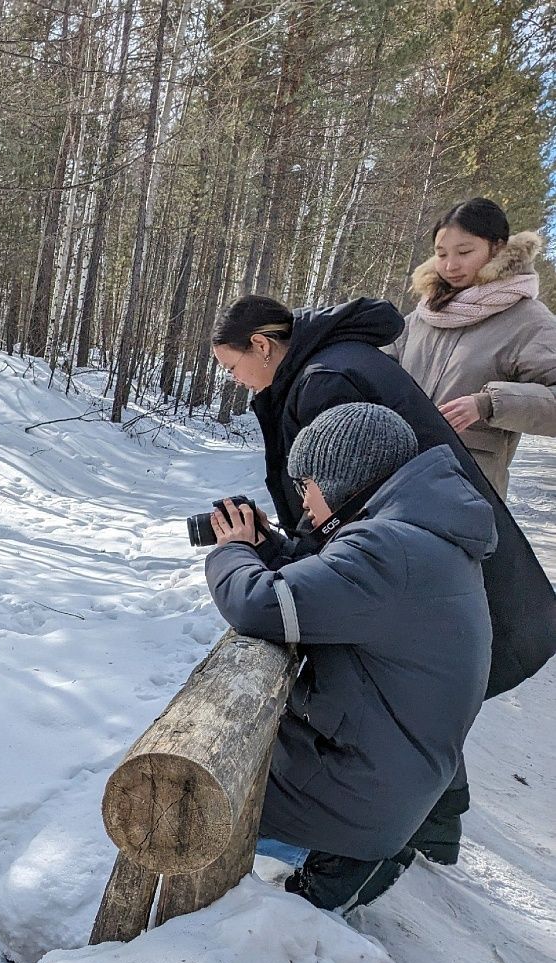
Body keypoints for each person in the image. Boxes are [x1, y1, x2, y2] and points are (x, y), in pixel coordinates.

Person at [208, 292, 556, 865]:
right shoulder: (341, 358)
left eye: (232, 367)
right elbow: (338, 501)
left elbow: (332, 488)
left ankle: (388, 842)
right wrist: (288, 545)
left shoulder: (324, 382)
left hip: (410, 572)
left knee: (391, 688)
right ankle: (434, 829)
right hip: (441, 553)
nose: (238, 382)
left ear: (263, 346)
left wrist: (251, 554)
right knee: (420, 693)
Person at [206, 404, 495, 910]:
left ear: (343, 479)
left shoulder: (389, 547)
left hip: (367, 792)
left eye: (308, 485)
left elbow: (259, 605)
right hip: (395, 765)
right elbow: (334, 591)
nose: (303, 502)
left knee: (205, 791)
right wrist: (271, 549)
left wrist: (232, 550)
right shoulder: (423, 532)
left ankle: (332, 872)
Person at [387, 198, 556, 498]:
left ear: (498, 248)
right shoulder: (424, 315)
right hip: (394, 477)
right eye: (441, 254)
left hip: (465, 491)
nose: (450, 265)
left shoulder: (528, 319)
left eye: (464, 252)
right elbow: (380, 372)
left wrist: (488, 404)